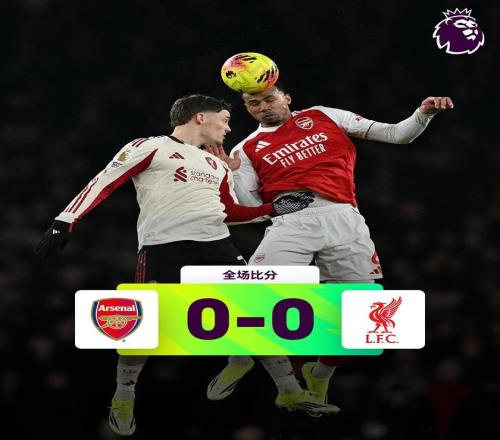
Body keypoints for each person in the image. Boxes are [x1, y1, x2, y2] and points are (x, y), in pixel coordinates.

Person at [34, 94, 324, 436]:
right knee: (146, 325)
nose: (228, 129)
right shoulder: (151, 147)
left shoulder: (216, 164)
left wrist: (274, 209)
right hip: (164, 246)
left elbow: (230, 213)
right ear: (200, 118)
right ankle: (124, 395)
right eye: (224, 120)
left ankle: (288, 389)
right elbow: (104, 180)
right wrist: (65, 221)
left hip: (217, 243)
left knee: (254, 310)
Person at [205, 83, 454, 412]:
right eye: (254, 103)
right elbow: (250, 211)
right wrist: (230, 176)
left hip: (344, 219)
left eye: (269, 99)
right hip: (291, 222)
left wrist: (423, 114)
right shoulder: (246, 149)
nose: (263, 107)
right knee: (254, 297)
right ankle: (267, 375)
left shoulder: (324, 115)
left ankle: (319, 374)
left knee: (361, 318)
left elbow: (397, 134)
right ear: (248, 109)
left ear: (286, 98)